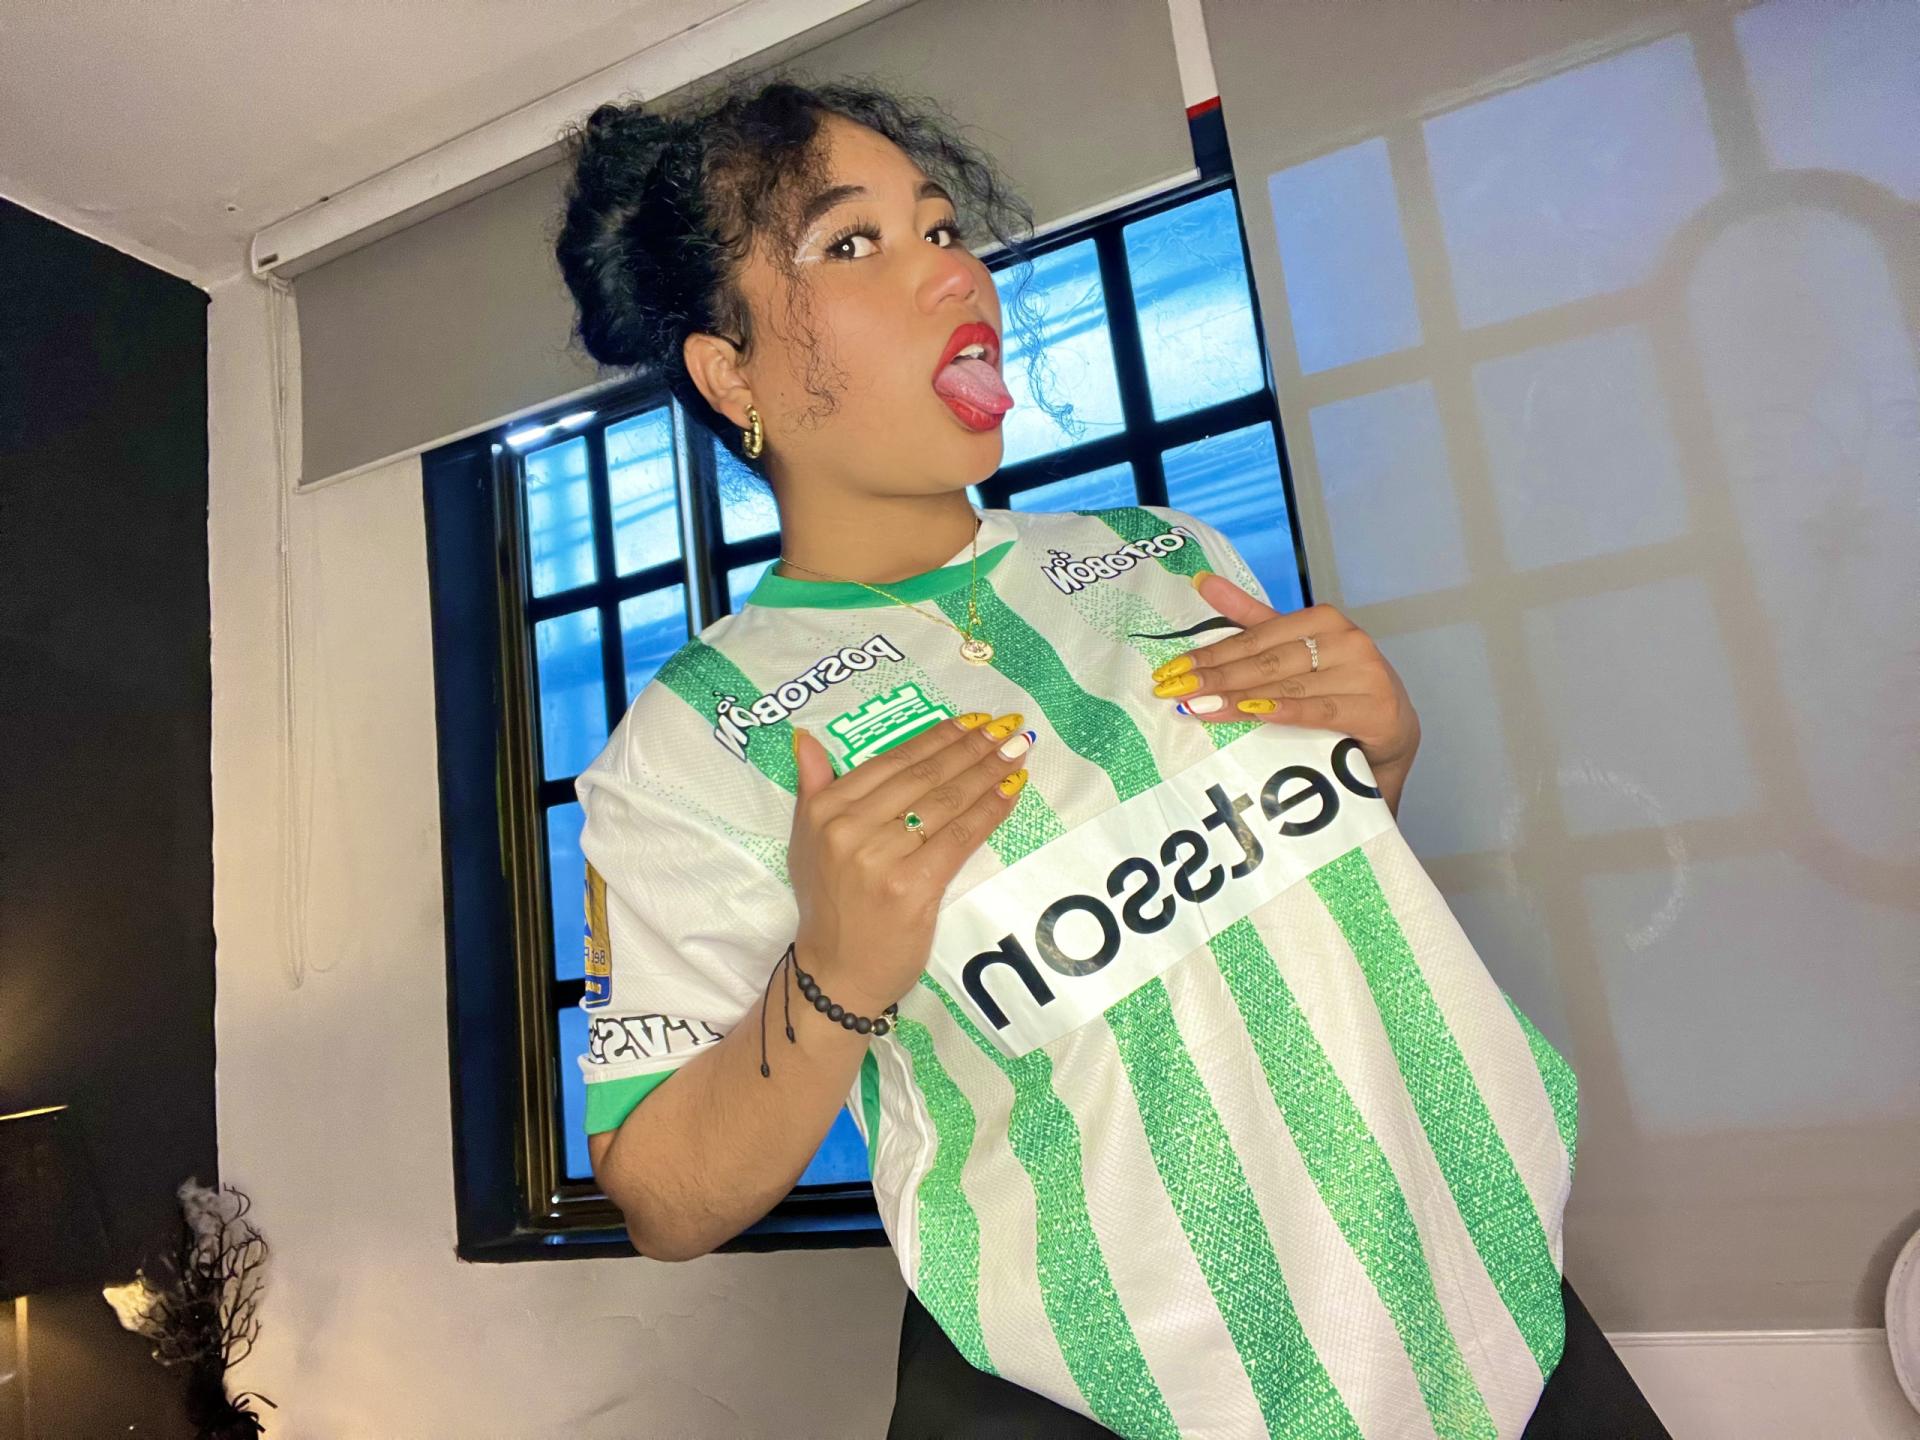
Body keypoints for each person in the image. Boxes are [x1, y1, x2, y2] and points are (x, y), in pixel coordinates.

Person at [552, 77, 1667, 1440]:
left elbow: (1296, 896)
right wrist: (835, 975)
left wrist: (1382, 757)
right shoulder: (696, 743)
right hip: (1121, 1396)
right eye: (853, 244)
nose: (950, 271)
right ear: (731, 373)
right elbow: (661, 1197)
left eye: (941, 227)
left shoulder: (1161, 554)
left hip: (1485, 1297)